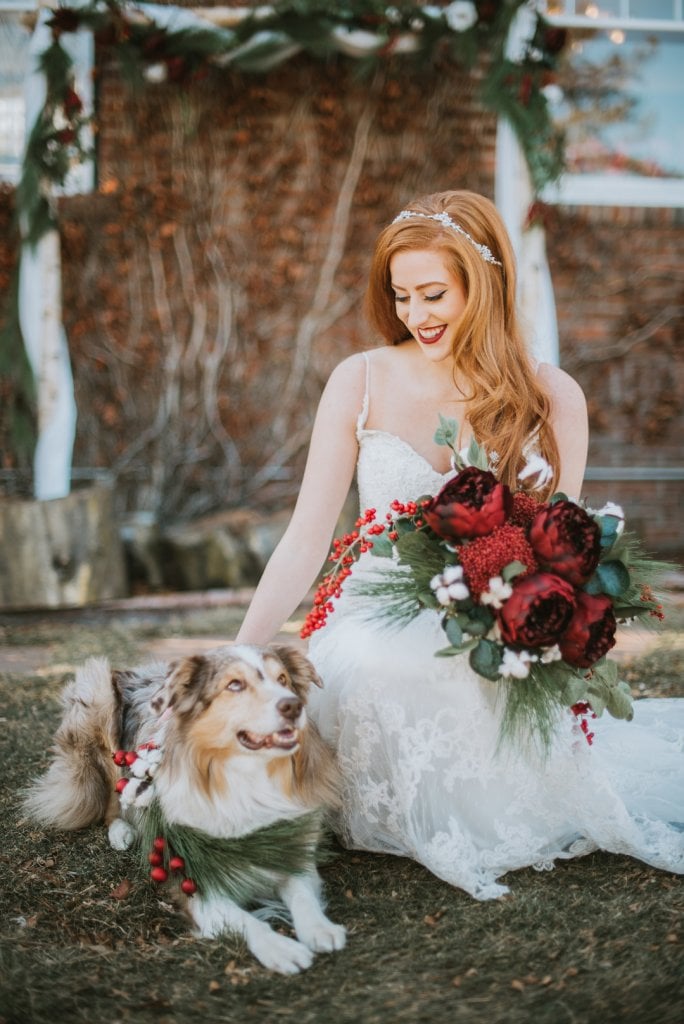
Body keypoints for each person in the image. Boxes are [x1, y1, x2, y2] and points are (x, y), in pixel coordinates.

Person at [236, 189, 683, 898]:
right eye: (401, 296)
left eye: (434, 293)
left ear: (486, 284)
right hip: (371, 610)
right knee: (378, 663)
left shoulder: (551, 397)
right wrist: (241, 657)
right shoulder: (360, 380)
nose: (416, 315)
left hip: (486, 620)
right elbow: (306, 534)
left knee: (460, 674)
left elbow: (557, 549)